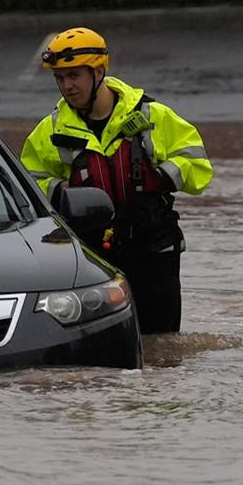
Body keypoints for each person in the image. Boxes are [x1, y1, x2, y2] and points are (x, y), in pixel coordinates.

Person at [21, 27, 213, 333]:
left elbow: (199, 167)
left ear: (98, 72)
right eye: (59, 78)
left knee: (160, 351)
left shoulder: (152, 115)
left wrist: (162, 176)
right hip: (93, 259)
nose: (66, 86)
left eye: (74, 76)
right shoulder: (50, 130)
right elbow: (27, 186)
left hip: (154, 251)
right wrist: (60, 190)